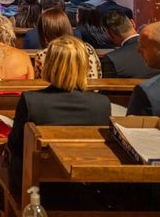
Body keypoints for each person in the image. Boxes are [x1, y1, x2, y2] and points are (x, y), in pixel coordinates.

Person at [7, 36, 111, 193]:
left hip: (38, 185)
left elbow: (15, 144)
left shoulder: (31, 100)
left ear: (50, 65)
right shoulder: (102, 103)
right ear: (84, 66)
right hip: (83, 185)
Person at [33, 8, 101, 80]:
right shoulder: (88, 48)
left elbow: (42, 82)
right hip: (89, 90)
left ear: (42, 32)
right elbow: (98, 75)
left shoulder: (44, 54)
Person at [101, 10, 157, 79]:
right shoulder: (158, 49)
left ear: (109, 34)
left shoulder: (112, 59)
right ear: (133, 23)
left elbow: (107, 88)